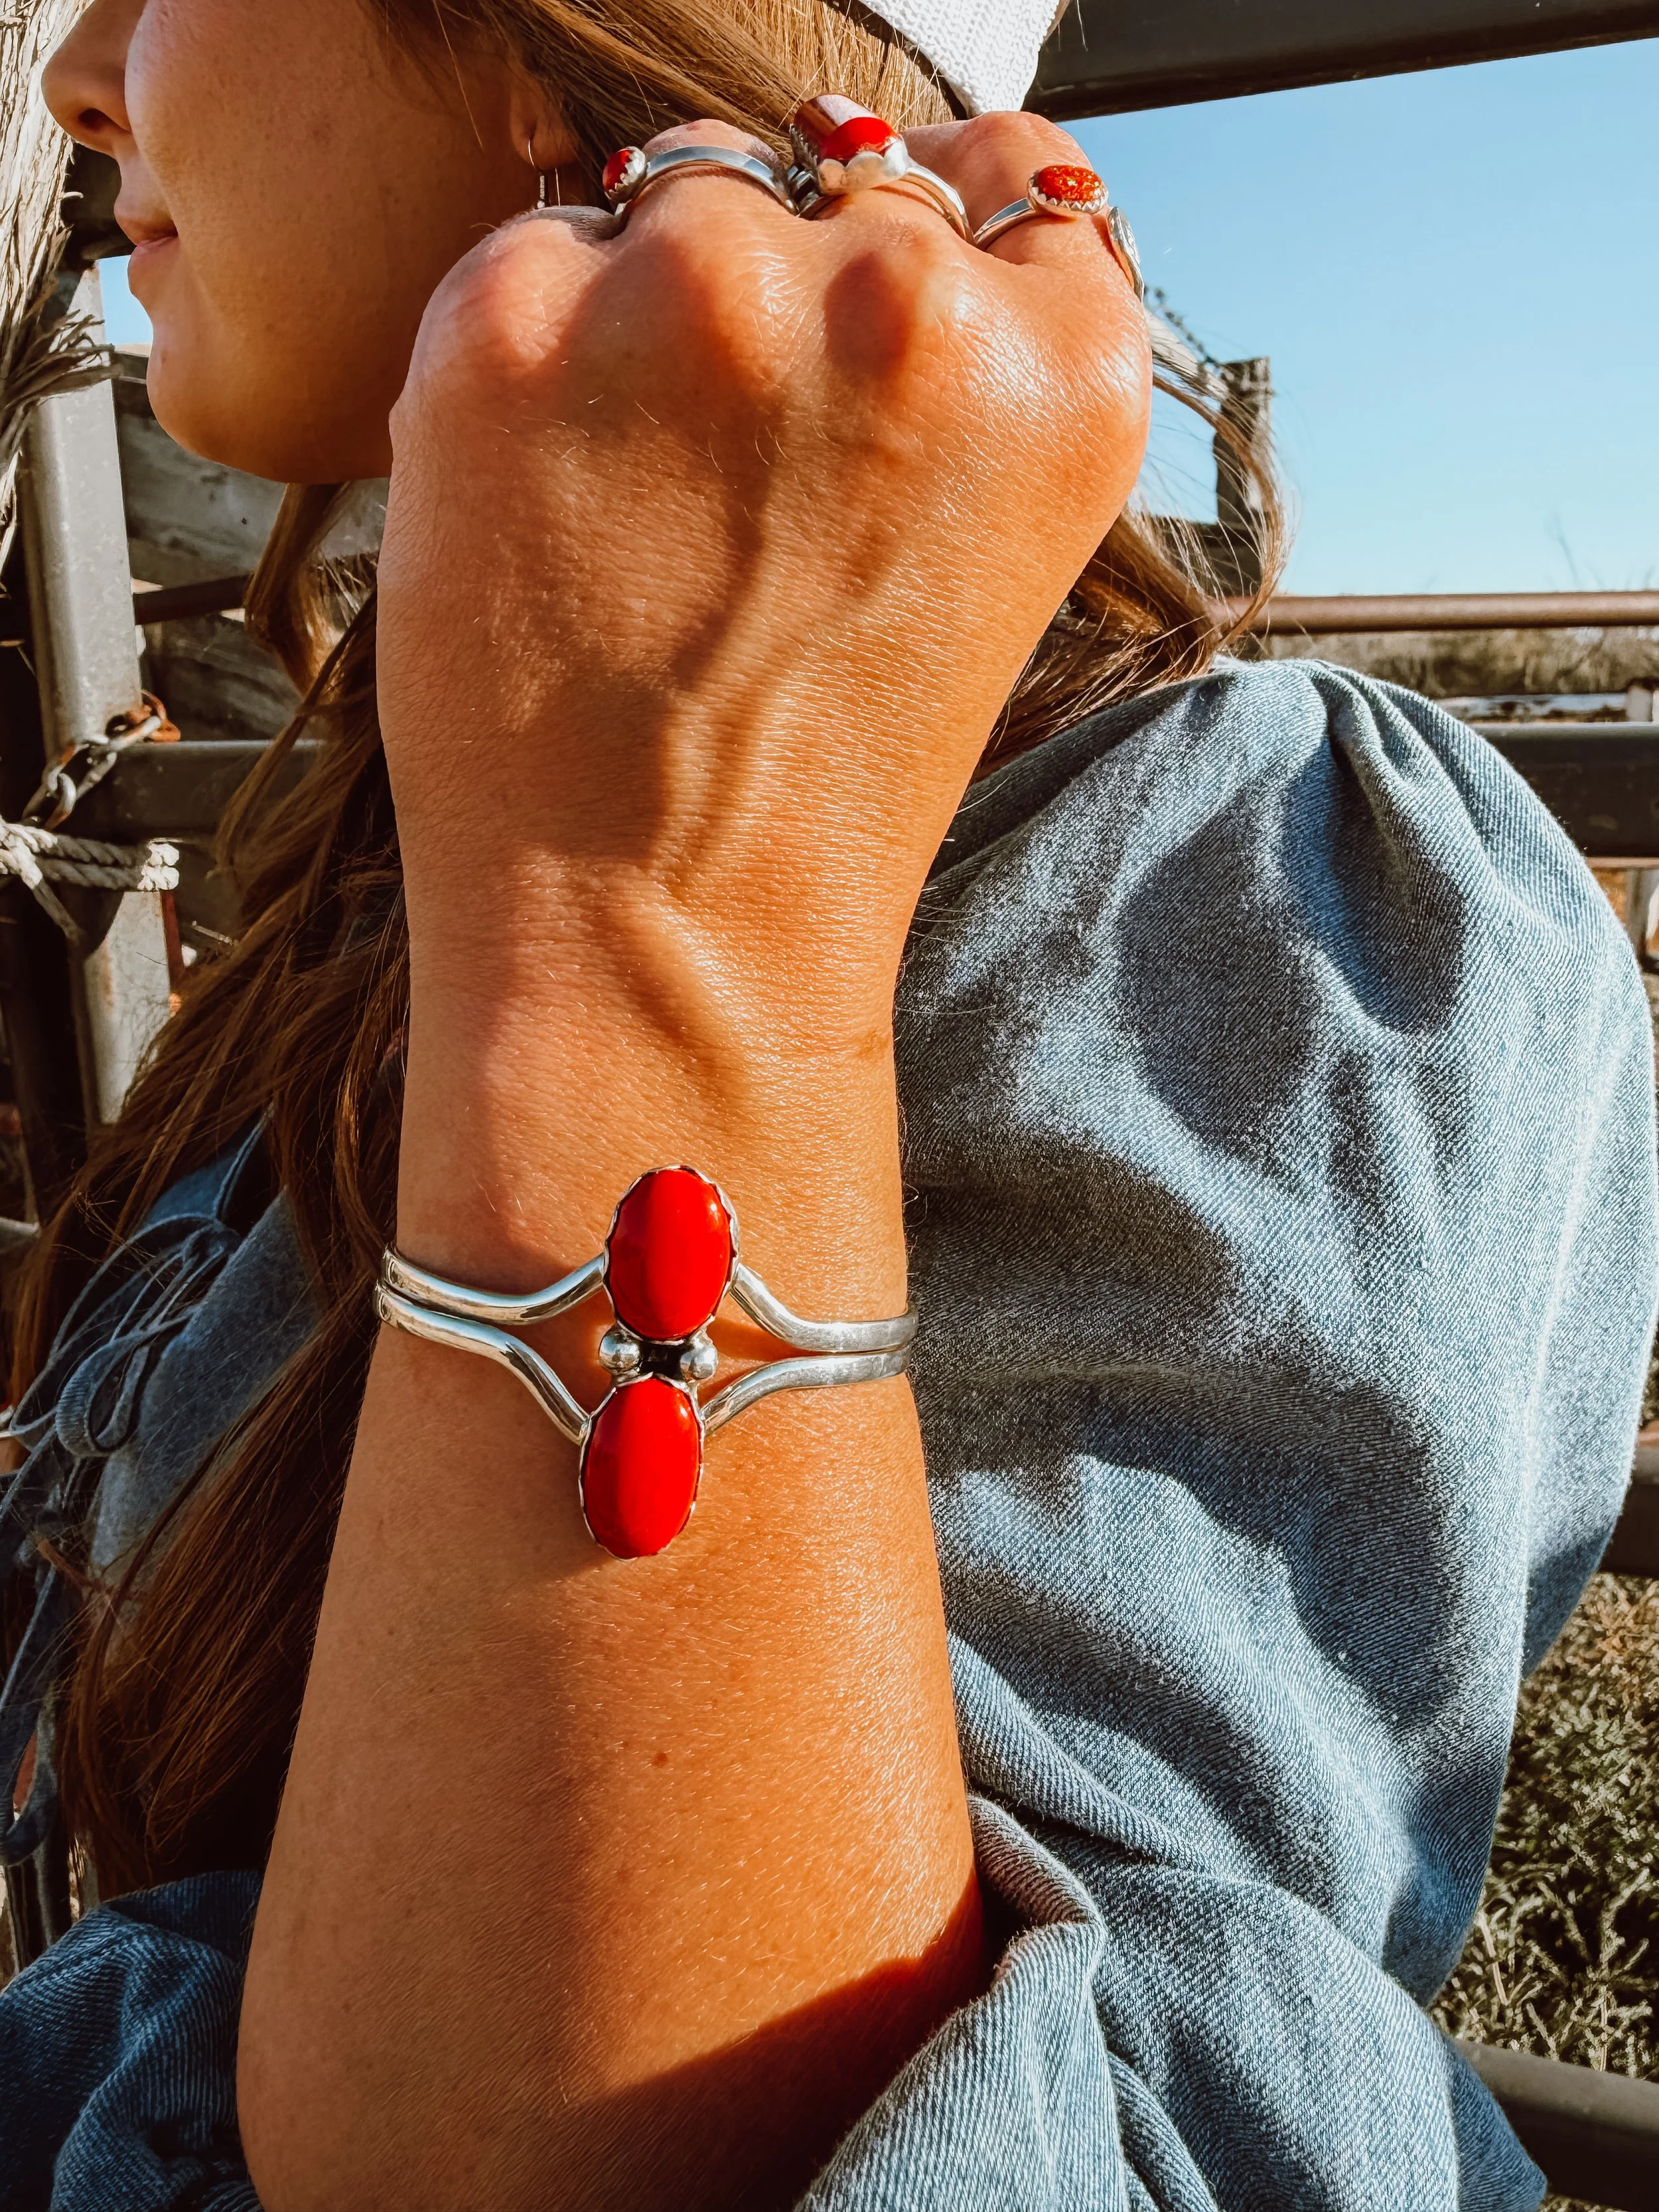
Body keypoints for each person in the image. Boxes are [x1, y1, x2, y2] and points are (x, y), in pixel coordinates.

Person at [1, 0, 1653, 2205]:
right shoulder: (390, 821)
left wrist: (651, 922)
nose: (81, 64)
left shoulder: (1247, 894)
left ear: (542, 51)